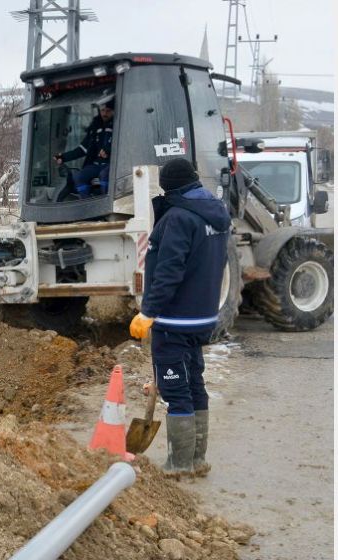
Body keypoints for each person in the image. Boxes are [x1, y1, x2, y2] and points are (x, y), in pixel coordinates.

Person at [129, 158, 231, 477]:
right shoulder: (216, 214)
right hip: (202, 317)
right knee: (195, 384)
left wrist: (148, 313)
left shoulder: (177, 218)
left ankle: (179, 464)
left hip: (174, 321)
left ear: (169, 187)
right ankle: (198, 460)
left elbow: (169, 271)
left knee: (176, 390)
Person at [54, 99, 114, 198]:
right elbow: (82, 150)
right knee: (79, 176)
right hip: (96, 165)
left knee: (104, 175)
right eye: (103, 110)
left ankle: (106, 201)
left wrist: (109, 151)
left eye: (108, 111)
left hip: (112, 165)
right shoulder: (95, 128)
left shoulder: (118, 126)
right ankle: (86, 202)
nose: (105, 113)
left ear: (113, 111)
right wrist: (63, 157)